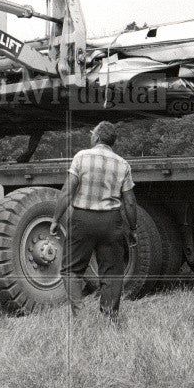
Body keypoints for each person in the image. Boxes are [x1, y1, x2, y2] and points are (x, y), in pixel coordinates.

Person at [49, 121, 137, 318]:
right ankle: (108, 316)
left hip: (82, 220)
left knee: (71, 270)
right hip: (111, 222)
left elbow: (67, 191)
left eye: (92, 133)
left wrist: (56, 219)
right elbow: (130, 202)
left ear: (96, 137)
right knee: (112, 274)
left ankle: (78, 315)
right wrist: (132, 228)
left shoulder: (81, 157)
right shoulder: (123, 164)